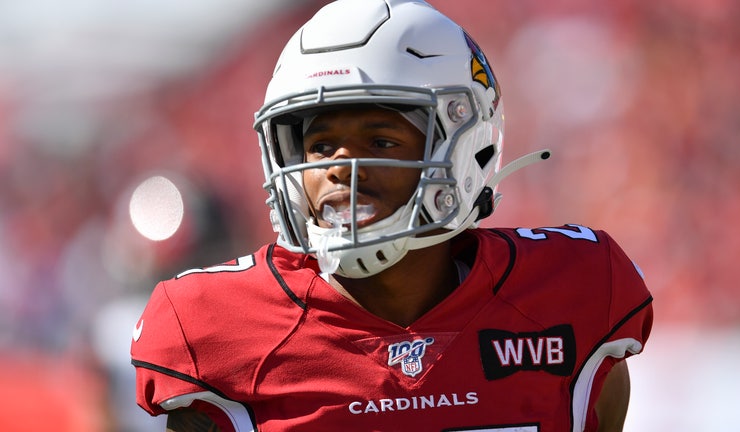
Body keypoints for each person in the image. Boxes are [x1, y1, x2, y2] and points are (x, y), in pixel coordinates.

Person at [130, 0, 653, 431]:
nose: (340, 168)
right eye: (320, 144)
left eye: (380, 140)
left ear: (464, 144)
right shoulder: (210, 328)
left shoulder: (574, 291)